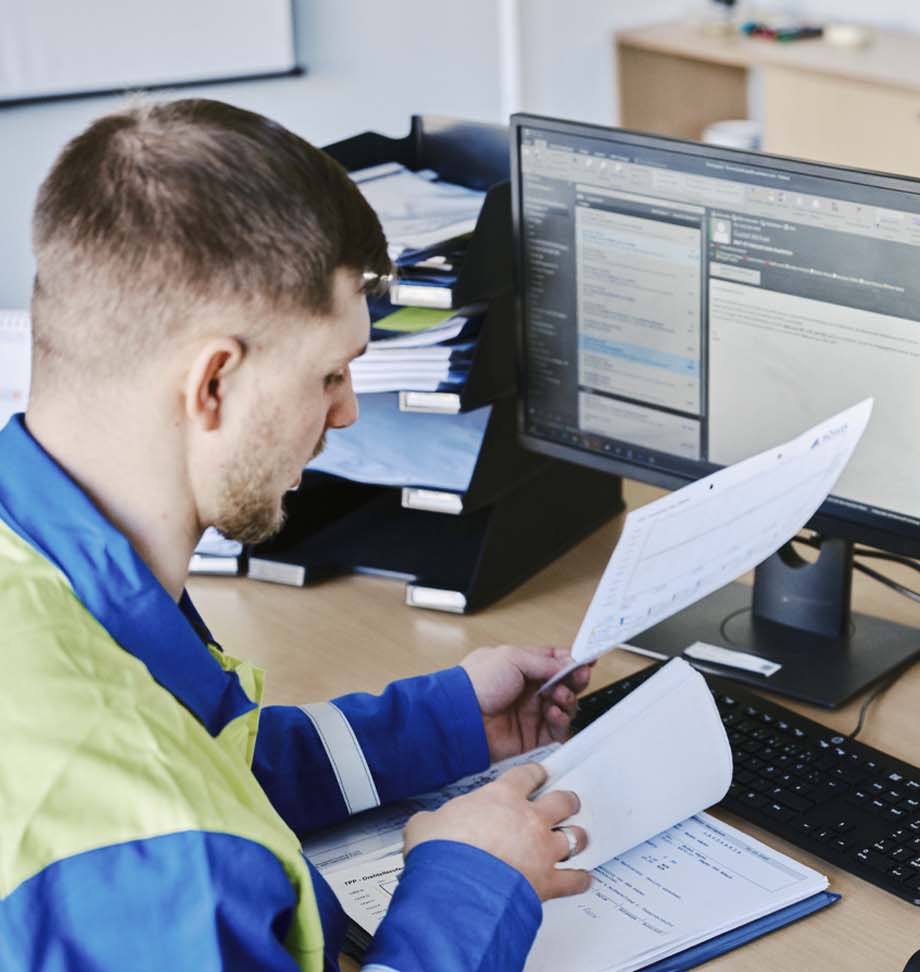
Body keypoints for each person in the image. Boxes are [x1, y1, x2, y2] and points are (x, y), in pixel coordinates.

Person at [0, 98, 592, 972]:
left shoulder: (47, 568)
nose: (348, 412)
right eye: (330, 372)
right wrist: (473, 884)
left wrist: (443, 721)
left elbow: (206, 759)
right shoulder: (166, 854)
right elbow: (170, 807)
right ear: (213, 384)